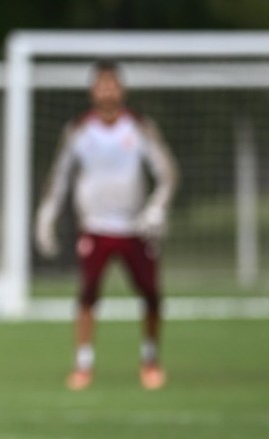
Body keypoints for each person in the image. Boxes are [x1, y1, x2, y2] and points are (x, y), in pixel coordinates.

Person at [34, 59, 179, 391]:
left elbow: (168, 174)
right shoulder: (78, 130)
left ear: (122, 88)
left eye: (112, 83)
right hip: (95, 226)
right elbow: (59, 178)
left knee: (151, 294)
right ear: (92, 89)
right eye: (102, 84)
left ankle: (150, 359)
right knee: (87, 295)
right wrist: (46, 217)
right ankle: (83, 364)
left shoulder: (140, 127)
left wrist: (157, 208)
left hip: (135, 227)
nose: (107, 91)